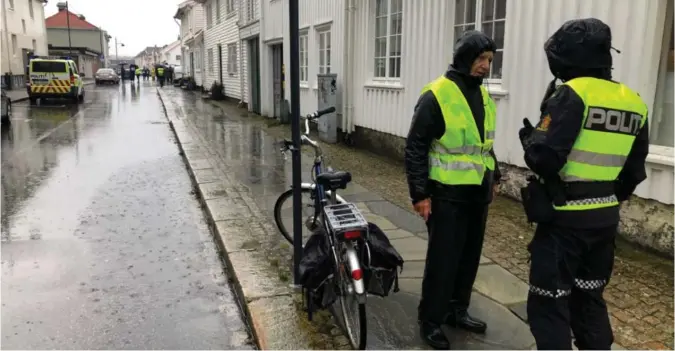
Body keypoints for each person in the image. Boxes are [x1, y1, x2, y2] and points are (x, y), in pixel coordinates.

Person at [518, 18, 649, 350]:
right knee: (589, 299)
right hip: (604, 221)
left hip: (564, 221)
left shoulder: (572, 94)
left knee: (548, 305)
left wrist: (531, 141)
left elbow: (546, 158)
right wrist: (604, 197)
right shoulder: (633, 101)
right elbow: (634, 172)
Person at [404, 30, 502, 349]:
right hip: (446, 195)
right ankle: (431, 320)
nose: (486, 66)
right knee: (443, 262)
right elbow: (416, 146)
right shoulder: (437, 94)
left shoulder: (483, 96)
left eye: (489, 60)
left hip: (477, 195)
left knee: (468, 258)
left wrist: (495, 175)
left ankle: (457, 311)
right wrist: (419, 193)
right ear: (464, 58)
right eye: (480, 59)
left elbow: (482, 144)